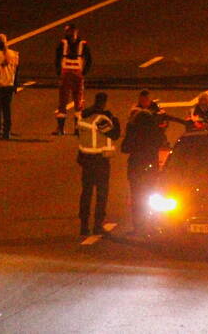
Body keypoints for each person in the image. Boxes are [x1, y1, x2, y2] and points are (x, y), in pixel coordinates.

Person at [120, 91, 173, 235]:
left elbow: (124, 148)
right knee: (150, 196)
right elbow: (161, 142)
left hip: (135, 165)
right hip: (150, 165)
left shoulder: (133, 130)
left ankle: (138, 227)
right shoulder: (154, 131)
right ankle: (151, 226)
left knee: (137, 197)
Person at [76, 92, 120, 237]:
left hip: (86, 160)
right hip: (100, 161)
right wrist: (114, 119)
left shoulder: (84, 117)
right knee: (101, 194)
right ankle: (97, 226)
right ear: (104, 103)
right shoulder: (101, 119)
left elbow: (79, 134)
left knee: (86, 194)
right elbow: (114, 134)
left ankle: (83, 226)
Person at [54, 23, 92, 136]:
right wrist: (84, 73)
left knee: (63, 101)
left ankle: (61, 129)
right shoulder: (82, 44)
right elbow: (89, 60)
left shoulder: (63, 43)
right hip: (77, 75)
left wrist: (58, 73)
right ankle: (77, 128)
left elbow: (57, 59)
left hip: (66, 74)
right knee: (78, 101)